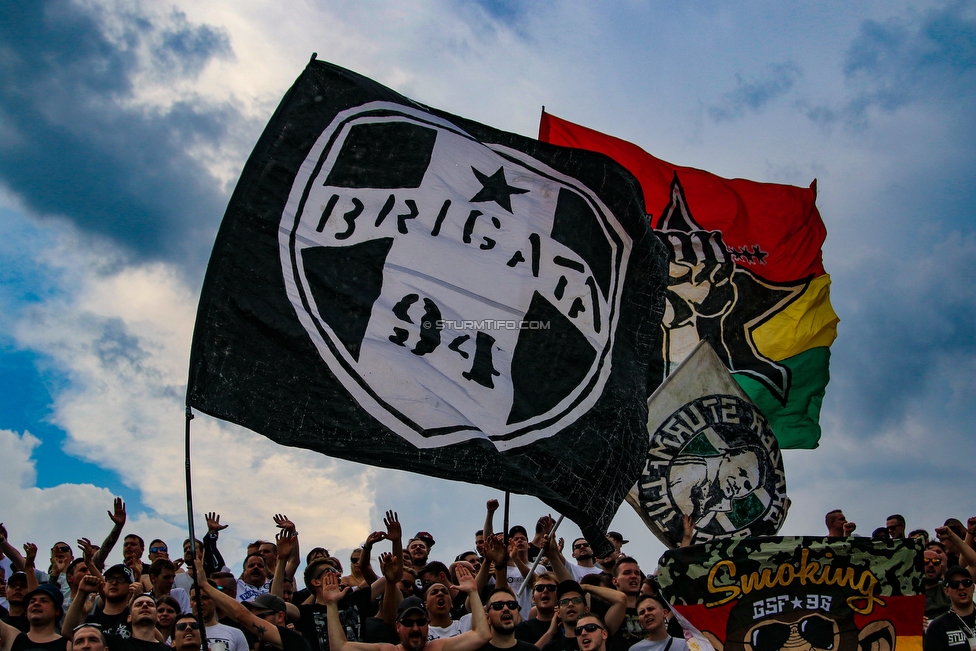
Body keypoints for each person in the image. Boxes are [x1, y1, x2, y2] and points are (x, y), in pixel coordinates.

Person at [319, 567, 489, 651]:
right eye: (408, 623)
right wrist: (332, 605)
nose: (415, 628)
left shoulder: (438, 648)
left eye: (420, 622)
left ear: (428, 624)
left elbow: (482, 634)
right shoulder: (388, 650)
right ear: (398, 626)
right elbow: (340, 647)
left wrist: (473, 592)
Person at [193, 558, 310, 651]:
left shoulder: (292, 639)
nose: (254, 621)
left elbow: (241, 616)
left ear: (280, 617)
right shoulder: (264, 645)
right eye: (254, 616)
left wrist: (205, 585)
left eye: (260, 617)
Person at [0, 583, 66, 651]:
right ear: (26, 612)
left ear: (57, 611)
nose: (36, 603)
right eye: (32, 601)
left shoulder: (68, 646)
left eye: (44, 601)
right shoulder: (12, 638)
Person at [923, 566, 975, 651]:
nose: (961, 587)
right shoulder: (937, 627)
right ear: (946, 591)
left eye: (966, 582)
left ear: (973, 587)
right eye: (955, 584)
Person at [187, 582, 250, 651]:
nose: (200, 603)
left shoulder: (235, 634)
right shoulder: (183, 633)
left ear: (215, 601)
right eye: (194, 599)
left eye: (205, 598)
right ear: (190, 602)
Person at [514, 574, 557, 645]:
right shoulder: (523, 628)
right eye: (540, 588)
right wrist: (551, 632)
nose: (545, 590)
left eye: (551, 588)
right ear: (533, 599)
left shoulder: (567, 625)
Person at [923, 550, 952, 621]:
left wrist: (952, 538)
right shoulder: (907, 593)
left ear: (941, 568)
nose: (931, 565)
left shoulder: (950, 588)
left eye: (936, 561)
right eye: (925, 561)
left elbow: (973, 566)